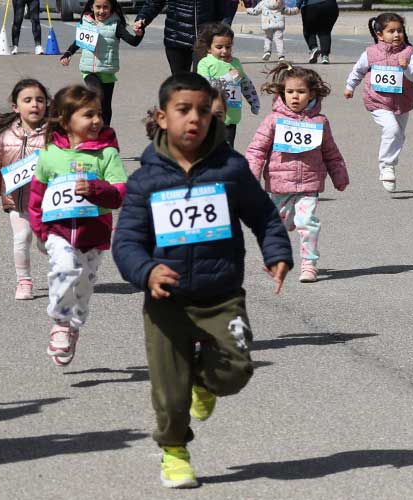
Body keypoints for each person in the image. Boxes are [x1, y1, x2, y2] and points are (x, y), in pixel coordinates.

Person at [112, 73, 293, 489]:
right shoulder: (145, 180)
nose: (195, 119)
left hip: (221, 295)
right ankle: (174, 451)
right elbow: (126, 242)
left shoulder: (230, 168)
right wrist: (146, 271)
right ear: (161, 117)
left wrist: (277, 253)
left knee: (235, 371)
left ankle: (204, 381)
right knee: (169, 393)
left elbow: (263, 215)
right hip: (167, 301)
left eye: (204, 111)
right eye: (183, 110)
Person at [28, 84, 127, 367]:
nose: (96, 121)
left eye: (99, 114)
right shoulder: (50, 154)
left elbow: (120, 193)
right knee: (65, 269)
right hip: (58, 232)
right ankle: (60, 321)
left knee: (83, 285)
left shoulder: (107, 154)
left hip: (93, 234)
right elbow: (37, 196)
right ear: (65, 119)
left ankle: (73, 326)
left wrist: (95, 189)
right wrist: (41, 230)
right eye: (88, 115)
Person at [246, 63, 349, 283]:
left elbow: (331, 151)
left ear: (311, 93)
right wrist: (250, 177)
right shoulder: (273, 120)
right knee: (278, 227)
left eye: (301, 92)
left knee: (307, 221)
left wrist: (339, 175)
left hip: (309, 186)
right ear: (282, 93)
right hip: (279, 185)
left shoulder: (319, 122)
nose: (295, 97)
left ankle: (309, 263)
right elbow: (256, 151)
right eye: (290, 92)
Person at [0, 79, 50, 300]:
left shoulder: (54, 136)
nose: (34, 104)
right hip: (16, 201)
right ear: (15, 107)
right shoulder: (6, 137)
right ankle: (24, 281)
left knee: (46, 241)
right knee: (21, 238)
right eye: (27, 100)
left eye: (39, 100)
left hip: (46, 203)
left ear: (47, 104)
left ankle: (58, 269)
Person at [343, 13, 413, 193]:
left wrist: (407, 67)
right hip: (377, 100)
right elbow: (358, 70)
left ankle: (389, 163)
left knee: (399, 135)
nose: (396, 35)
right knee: (392, 130)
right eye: (391, 31)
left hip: (402, 101)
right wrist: (350, 87)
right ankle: (386, 165)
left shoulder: (409, 53)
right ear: (379, 34)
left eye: (400, 31)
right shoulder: (371, 52)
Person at [59, 0, 145, 126]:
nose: (101, 11)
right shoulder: (86, 21)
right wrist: (68, 53)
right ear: (92, 7)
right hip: (88, 70)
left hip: (107, 70)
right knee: (97, 95)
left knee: (105, 106)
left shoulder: (116, 25)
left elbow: (133, 42)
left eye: (105, 7)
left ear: (111, 8)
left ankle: (105, 131)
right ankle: (83, 120)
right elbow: (79, 41)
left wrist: (139, 34)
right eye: (98, 7)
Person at [195, 22, 261, 148]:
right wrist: (227, 78)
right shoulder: (205, 63)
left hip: (231, 115)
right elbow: (205, 86)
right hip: (211, 116)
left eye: (228, 47)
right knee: (209, 149)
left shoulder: (235, 63)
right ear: (209, 48)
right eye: (219, 47)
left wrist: (254, 101)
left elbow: (245, 83)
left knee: (227, 149)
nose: (224, 51)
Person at [133, 0, 222, 75]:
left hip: (206, 38)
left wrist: (224, 26)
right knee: (180, 84)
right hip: (176, 36)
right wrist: (142, 18)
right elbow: (154, 3)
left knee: (202, 81)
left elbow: (226, 5)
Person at [300, 0, 339, 64]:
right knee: (325, 31)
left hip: (311, 6)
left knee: (309, 30)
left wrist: (297, 6)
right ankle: (325, 56)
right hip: (330, 5)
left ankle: (314, 48)